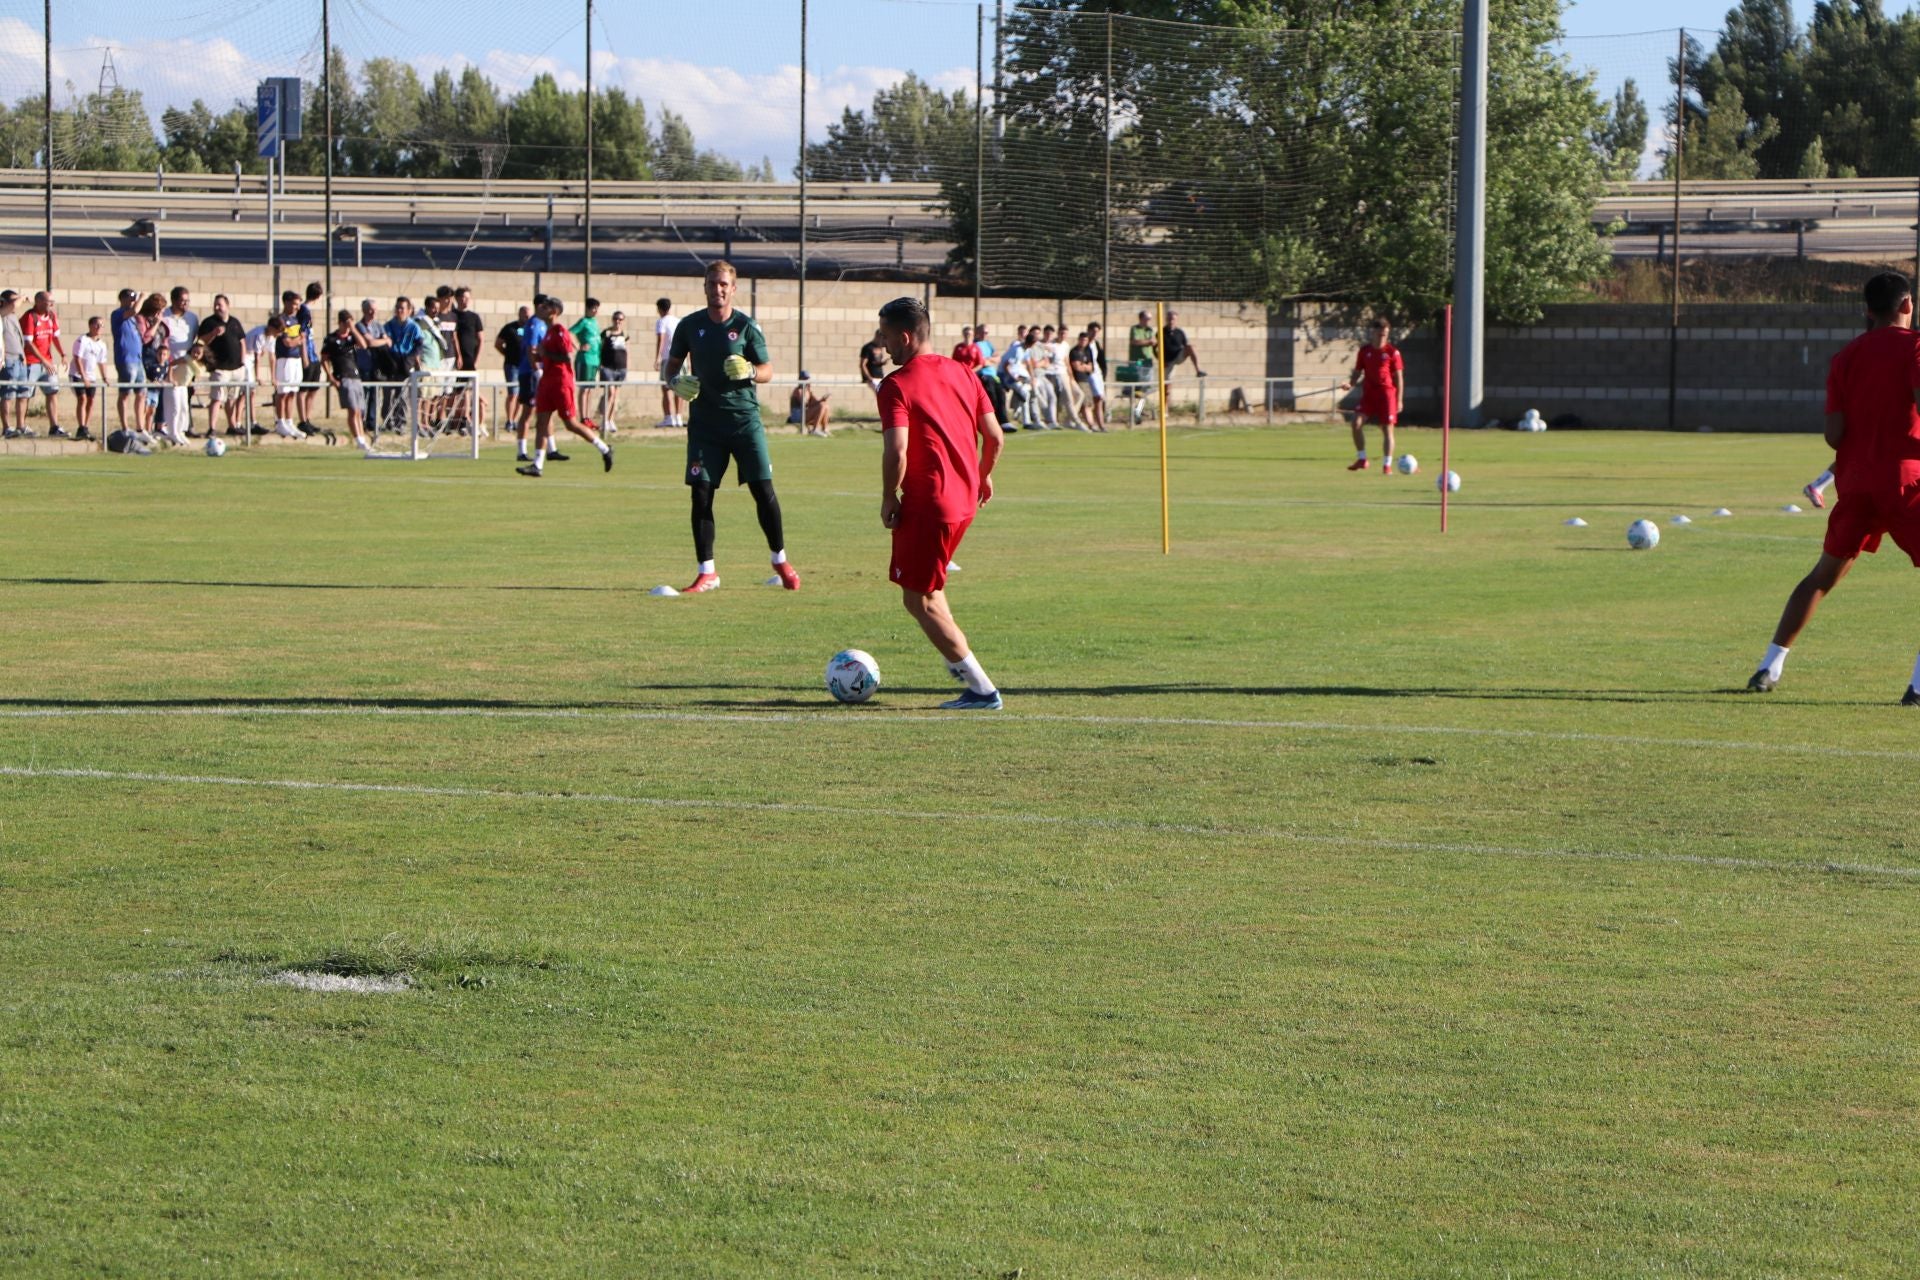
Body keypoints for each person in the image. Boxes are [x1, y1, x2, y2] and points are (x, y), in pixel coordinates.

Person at [1749, 271, 1920, 700]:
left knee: (1822, 577)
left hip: (1856, 480)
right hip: (1905, 478)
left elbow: (1833, 433)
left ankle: (1768, 667)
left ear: (1868, 310)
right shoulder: (1915, 346)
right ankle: (1917, 687)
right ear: (1907, 305)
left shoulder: (1845, 358)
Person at [874, 295, 1006, 711]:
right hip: (964, 501)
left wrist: (888, 496)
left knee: (918, 599)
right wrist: (983, 474)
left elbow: (897, 451)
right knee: (931, 588)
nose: (883, 344)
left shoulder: (896, 385)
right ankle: (959, 664)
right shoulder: (963, 372)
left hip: (930, 504)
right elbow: (996, 436)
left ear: (906, 337)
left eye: (886, 336)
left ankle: (982, 689)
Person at [664, 259, 798, 593]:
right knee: (701, 494)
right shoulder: (689, 326)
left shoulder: (747, 326)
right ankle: (707, 571)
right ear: (705, 286)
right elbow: (672, 367)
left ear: (733, 288)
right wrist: (673, 382)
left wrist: (751, 371)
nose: (718, 289)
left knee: (762, 491)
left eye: (724, 284)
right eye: (712, 283)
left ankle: (780, 558)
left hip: (744, 422)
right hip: (705, 426)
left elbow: (768, 370)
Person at [516, 296, 612, 477]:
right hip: (547, 382)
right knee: (542, 422)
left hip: (561, 382)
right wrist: (538, 357)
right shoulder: (547, 332)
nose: (542, 309)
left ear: (554, 311)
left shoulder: (560, 331)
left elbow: (567, 357)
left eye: (546, 307)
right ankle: (537, 465)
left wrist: (547, 354)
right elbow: (547, 357)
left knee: (571, 424)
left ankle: (604, 449)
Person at [1339, 317, 1404, 474]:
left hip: (1387, 394)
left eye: (1385, 334)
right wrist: (1351, 384)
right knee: (1356, 423)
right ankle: (1362, 459)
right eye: (1380, 334)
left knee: (1387, 429)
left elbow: (1399, 378)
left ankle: (1387, 465)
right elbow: (1357, 371)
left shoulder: (1392, 352)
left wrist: (1399, 400)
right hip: (1369, 394)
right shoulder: (1364, 351)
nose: (1383, 337)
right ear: (1373, 333)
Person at [197, 295, 248, 438]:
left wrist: (242, 361)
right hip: (219, 368)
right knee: (217, 398)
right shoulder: (209, 322)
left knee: (232, 398)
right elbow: (201, 341)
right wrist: (213, 333)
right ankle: (212, 428)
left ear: (227, 305)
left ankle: (232, 425)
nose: (217, 307)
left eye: (220, 304)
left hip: (236, 368)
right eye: (215, 305)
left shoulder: (234, 322)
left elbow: (242, 341)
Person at [322, 309, 372, 452]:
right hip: (343, 376)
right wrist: (330, 377)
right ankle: (358, 440)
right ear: (340, 323)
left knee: (359, 411)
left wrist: (353, 329)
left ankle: (362, 437)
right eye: (346, 323)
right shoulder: (331, 339)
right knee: (352, 410)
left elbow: (363, 345)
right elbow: (324, 359)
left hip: (355, 376)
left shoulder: (351, 338)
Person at [156, 286, 198, 444]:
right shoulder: (165, 316)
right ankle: (169, 429)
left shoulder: (192, 318)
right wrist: (167, 362)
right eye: (182, 301)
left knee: (183, 401)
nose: (185, 304)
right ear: (174, 301)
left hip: (185, 365)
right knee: (171, 400)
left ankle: (180, 430)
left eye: (188, 301)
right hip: (169, 364)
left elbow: (193, 340)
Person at [21, 291, 66, 437]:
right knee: (25, 395)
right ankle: (21, 427)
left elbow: (55, 337)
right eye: (49, 301)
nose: (52, 304)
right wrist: (43, 360)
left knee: (52, 392)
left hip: (48, 363)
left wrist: (63, 354)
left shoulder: (52, 316)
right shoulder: (30, 317)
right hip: (31, 363)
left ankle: (54, 427)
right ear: (39, 301)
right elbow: (28, 343)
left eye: (52, 301)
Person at [513, 296, 548, 463]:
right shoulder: (534, 324)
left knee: (543, 410)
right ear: (539, 306)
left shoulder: (543, 323)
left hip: (538, 371)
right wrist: (536, 370)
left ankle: (551, 449)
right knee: (528, 411)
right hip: (529, 373)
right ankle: (521, 451)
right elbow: (530, 349)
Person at [70, 315, 106, 441]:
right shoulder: (82, 340)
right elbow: (77, 358)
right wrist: (83, 376)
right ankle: (81, 427)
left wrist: (105, 377)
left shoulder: (101, 344)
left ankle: (86, 426)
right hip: (78, 375)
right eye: (97, 324)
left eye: (101, 325)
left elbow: (102, 362)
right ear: (90, 325)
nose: (99, 327)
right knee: (83, 399)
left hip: (91, 376)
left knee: (91, 401)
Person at [297, 280, 324, 433]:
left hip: (314, 356)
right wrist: (304, 356)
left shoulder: (307, 311)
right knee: (303, 389)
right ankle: (302, 420)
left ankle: (308, 418)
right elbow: (303, 335)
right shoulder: (304, 312)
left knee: (313, 389)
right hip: (308, 355)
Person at [973, 322, 1010, 429]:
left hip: (993, 375)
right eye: (983, 332)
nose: (985, 334)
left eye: (987, 332)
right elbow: (981, 362)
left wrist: (989, 359)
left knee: (1001, 396)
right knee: (991, 397)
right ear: (977, 332)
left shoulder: (988, 344)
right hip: (983, 375)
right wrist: (988, 360)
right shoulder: (975, 345)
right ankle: (993, 422)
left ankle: (1004, 421)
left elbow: (998, 358)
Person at [597, 309, 629, 431]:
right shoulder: (606, 333)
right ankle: (604, 420)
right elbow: (600, 348)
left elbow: (627, 351)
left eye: (620, 319)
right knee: (610, 394)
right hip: (608, 367)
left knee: (615, 395)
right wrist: (600, 364)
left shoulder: (625, 334)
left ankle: (611, 420)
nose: (617, 321)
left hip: (621, 367)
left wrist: (627, 366)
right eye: (616, 319)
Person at [655, 297, 682, 427]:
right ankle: (678, 417)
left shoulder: (661, 321)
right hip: (681, 359)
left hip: (668, 358)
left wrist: (657, 358)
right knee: (680, 388)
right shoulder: (678, 321)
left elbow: (661, 339)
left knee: (666, 388)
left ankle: (668, 417)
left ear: (659, 309)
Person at [571, 296, 603, 403]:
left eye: (597, 308)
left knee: (590, 389)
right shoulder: (583, 321)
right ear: (588, 309)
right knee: (584, 389)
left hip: (595, 359)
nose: (596, 311)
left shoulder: (595, 322)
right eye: (594, 308)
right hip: (585, 359)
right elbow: (569, 333)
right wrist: (578, 347)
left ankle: (587, 416)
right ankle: (583, 416)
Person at [1162, 309, 1206, 378]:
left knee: (1191, 347)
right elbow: (1156, 348)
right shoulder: (1161, 332)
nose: (1171, 321)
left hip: (1178, 356)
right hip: (1168, 360)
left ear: (1176, 320)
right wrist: (1162, 360)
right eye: (1169, 319)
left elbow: (1186, 345)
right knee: (1166, 383)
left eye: (1173, 319)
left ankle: (1198, 370)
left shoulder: (1180, 332)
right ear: (1166, 319)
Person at [1083, 321, 1109, 431]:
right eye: (1092, 331)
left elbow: (1101, 360)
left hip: (1097, 374)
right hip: (1089, 375)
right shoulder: (1085, 344)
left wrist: (1104, 373)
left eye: (1096, 332)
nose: (1094, 334)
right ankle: (1094, 423)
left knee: (1099, 400)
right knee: (1096, 398)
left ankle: (1101, 424)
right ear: (1088, 331)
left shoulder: (1096, 344)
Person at [788, 372, 831, 436]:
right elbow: (804, 404)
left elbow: (815, 403)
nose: (806, 381)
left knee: (825, 405)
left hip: (805, 413)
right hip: (797, 416)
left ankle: (824, 429)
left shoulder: (808, 391)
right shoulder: (797, 391)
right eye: (804, 379)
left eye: (807, 379)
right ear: (800, 379)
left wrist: (822, 399)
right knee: (821, 406)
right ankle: (814, 429)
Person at [859, 327, 889, 403]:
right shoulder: (868, 348)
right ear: (878, 336)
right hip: (872, 378)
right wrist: (869, 378)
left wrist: (882, 363)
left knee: (885, 396)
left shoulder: (880, 347)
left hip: (880, 376)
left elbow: (875, 362)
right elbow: (863, 364)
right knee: (881, 397)